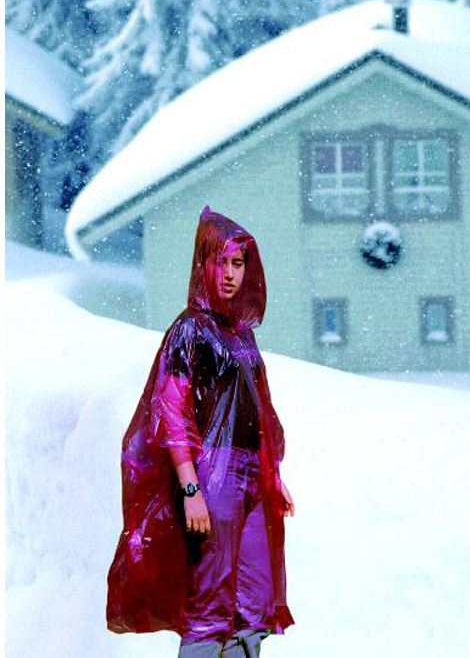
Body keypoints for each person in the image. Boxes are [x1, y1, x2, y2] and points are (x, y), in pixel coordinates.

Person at [106, 205, 295, 658]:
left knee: (254, 602)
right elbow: (171, 411)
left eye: (238, 262)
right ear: (203, 264)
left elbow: (259, 409)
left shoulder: (242, 335)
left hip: (252, 476)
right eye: (221, 261)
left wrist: (273, 475)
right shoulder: (189, 329)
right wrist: (191, 487)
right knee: (211, 602)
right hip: (212, 474)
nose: (230, 273)